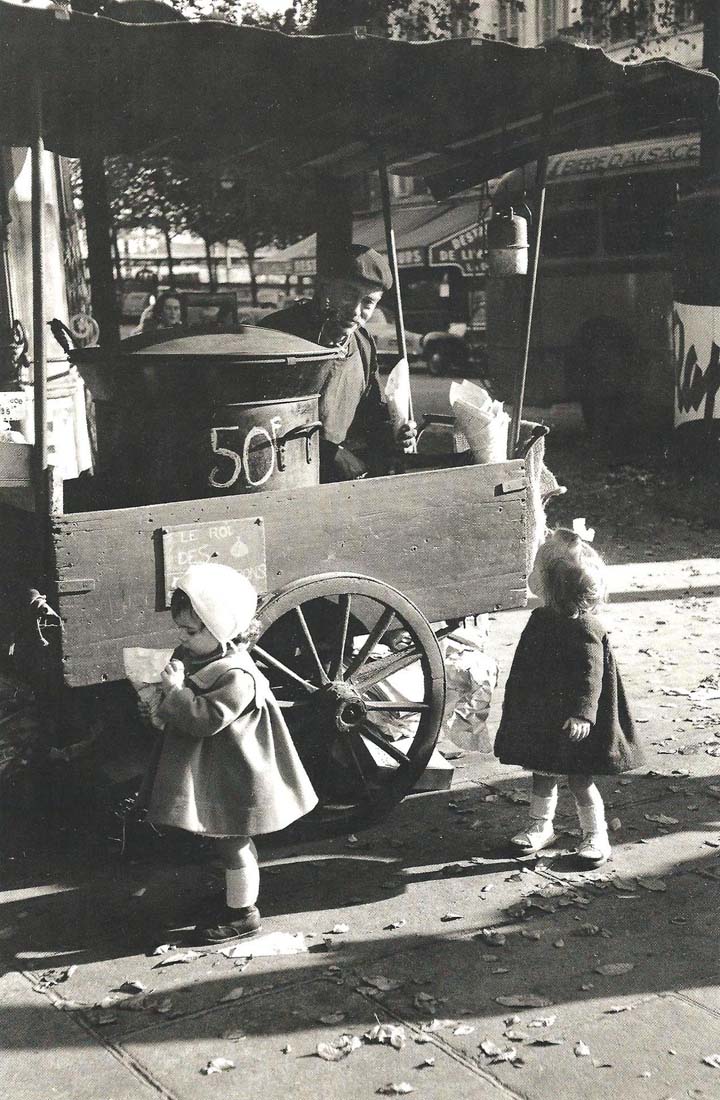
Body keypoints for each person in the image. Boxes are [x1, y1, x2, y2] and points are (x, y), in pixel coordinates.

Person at [139, 562, 318, 943]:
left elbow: (205, 719)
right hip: (215, 770)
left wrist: (173, 694)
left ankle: (242, 913)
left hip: (234, 777)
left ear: (219, 629)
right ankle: (231, 899)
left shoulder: (236, 675)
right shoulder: (200, 654)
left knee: (233, 840)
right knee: (223, 840)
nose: (182, 638)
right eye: (180, 629)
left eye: (190, 630)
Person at [494, 528, 645, 868]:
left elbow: (590, 677)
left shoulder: (587, 630)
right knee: (543, 771)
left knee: (580, 778)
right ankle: (540, 825)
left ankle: (595, 834)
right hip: (545, 711)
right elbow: (527, 660)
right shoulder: (541, 620)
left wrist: (583, 714)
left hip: (577, 719)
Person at [260, 244, 415, 482]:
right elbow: (259, 422)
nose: (355, 311)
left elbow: (370, 413)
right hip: (282, 477)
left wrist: (395, 431)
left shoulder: (362, 343)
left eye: (368, 303)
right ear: (323, 288)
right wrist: (329, 452)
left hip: (340, 483)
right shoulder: (276, 334)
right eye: (349, 295)